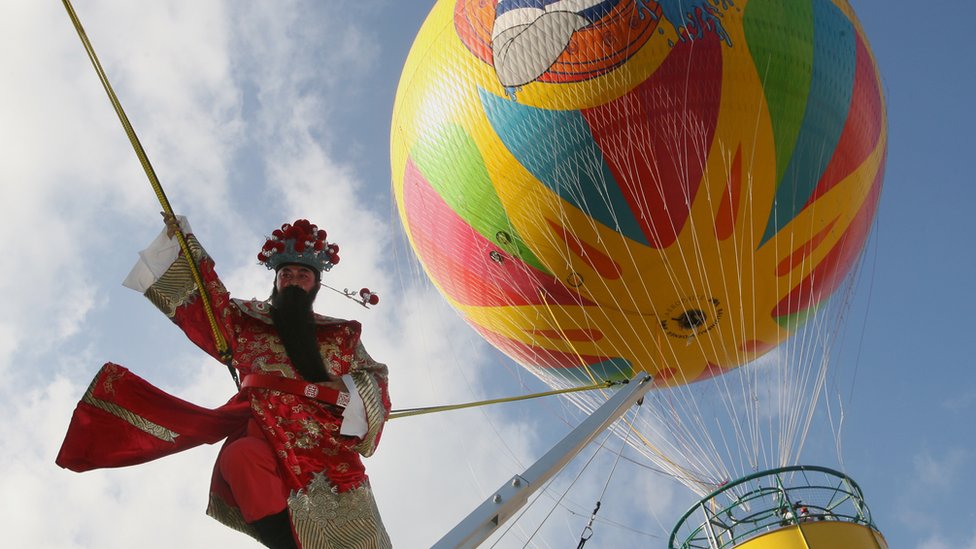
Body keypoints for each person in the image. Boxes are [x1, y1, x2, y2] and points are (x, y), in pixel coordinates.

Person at [57, 215, 392, 549]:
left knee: (345, 521)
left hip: (322, 436)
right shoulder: (246, 320)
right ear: (275, 281)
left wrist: (347, 389)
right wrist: (184, 247)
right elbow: (207, 301)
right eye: (285, 274)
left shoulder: (342, 334)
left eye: (302, 275)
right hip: (264, 421)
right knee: (240, 457)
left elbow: (373, 375)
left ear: (315, 284)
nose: (292, 280)